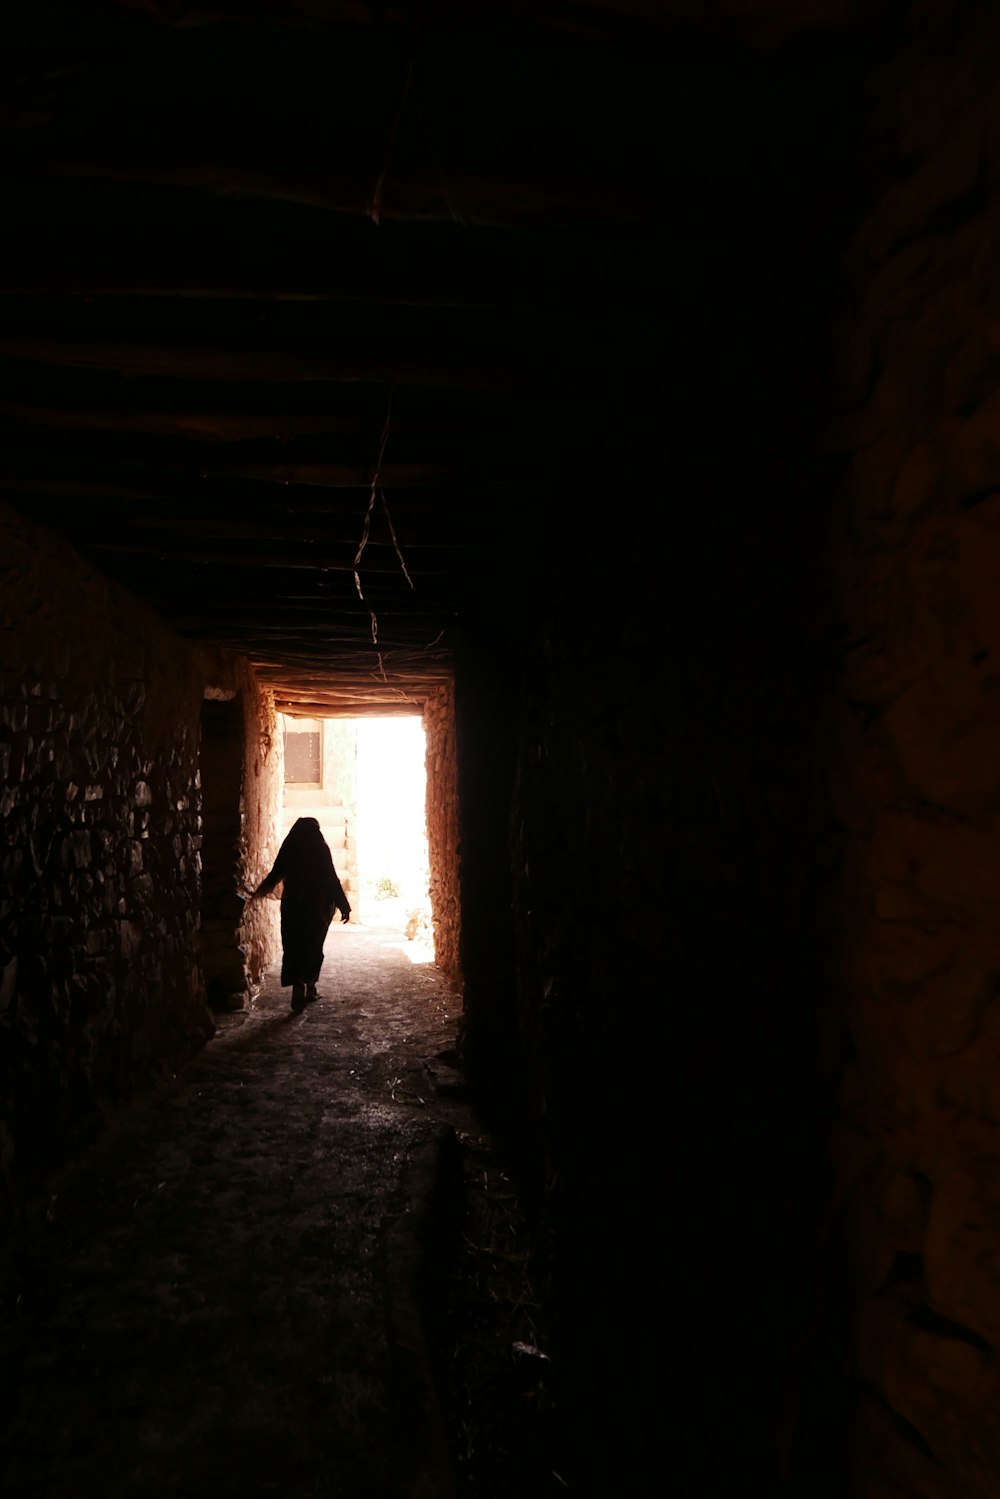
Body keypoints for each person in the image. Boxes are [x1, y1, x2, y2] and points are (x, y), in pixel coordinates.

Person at [248, 817, 351, 1012]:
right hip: (316, 908)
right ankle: (309, 987)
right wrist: (343, 905)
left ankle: (298, 986)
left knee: (294, 947)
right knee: (312, 947)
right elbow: (331, 878)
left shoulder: (290, 847)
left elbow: (275, 874)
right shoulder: (320, 848)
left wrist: (256, 894)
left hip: (292, 905)